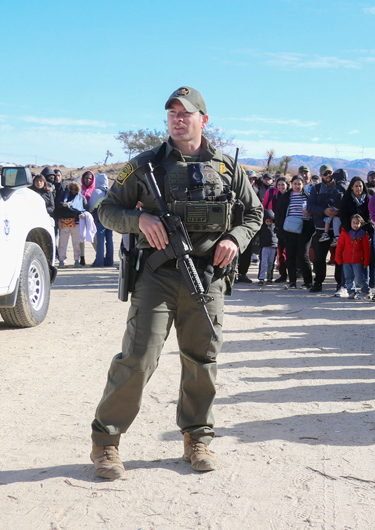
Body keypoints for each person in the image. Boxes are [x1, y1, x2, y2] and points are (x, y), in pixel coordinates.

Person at [90, 86, 262, 479]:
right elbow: (106, 210)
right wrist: (140, 221)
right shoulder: (146, 164)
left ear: (204, 119)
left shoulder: (227, 168)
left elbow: (253, 214)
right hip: (157, 276)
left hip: (207, 277)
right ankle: (106, 444)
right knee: (138, 358)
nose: (177, 118)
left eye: (185, 113)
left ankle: (197, 439)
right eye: (171, 113)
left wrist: (234, 240)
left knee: (202, 360)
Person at [308, 164, 346, 293]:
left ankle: (340, 283)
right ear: (321, 176)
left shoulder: (341, 188)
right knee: (319, 258)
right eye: (325, 174)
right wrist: (324, 211)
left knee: (339, 257)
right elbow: (310, 207)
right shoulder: (316, 189)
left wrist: (338, 212)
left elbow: (347, 204)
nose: (328, 175)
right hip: (320, 229)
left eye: (329, 173)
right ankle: (318, 282)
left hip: (337, 229)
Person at [275, 175, 315, 289]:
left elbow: (313, 211)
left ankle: (308, 281)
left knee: (303, 255)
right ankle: (292, 281)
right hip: (289, 229)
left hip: (305, 229)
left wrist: (310, 214)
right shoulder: (286, 197)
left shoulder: (308, 196)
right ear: (291, 184)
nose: (297, 186)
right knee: (290, 255)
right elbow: (279, 213)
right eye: (295, 184)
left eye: (299, 184)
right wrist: (279, 228)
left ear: (303, 185)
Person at [335, 214, 371, 299]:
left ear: (361, 224)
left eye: (357, 223)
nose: (355, 225)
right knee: (348, 278)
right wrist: (338, 258)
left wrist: (366, 261)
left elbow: (366, 249)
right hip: (346, 260)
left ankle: (366, 291)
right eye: (353, 223)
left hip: (358, 260)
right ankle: (351, 292)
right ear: (350, 223)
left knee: (359, 277)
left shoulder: (363, 235)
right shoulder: (344, 233)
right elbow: (339, 246)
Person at [54, 180, 88, 267]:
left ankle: (76, 260)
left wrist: (83, 215)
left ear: (79, 189)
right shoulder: (64, 195)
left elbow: (85, 208)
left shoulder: (81, 198)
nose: (73, 190)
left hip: (76, 222)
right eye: (71, 188)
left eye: (76, 189)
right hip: (64, 221)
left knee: (76, 243)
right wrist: (64, 204)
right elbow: (57, 204)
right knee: (62, 242)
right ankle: (61, 260)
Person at [88, 173, 114, 267]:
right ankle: (110, 261)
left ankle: (99, 262)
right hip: (110, 218)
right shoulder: (111, 191)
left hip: (100, 218)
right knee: (109, 240)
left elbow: (91, 207)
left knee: (100, 240)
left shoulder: (97, 192)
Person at [267, 177, 289, 282]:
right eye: (279, 185)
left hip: (291, 227)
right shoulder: (275, 197)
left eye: (283, 184)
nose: (281, 187)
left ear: (287, 185)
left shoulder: (291, 196)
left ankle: (294, 274)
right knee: (280, 252)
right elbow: (272, 211)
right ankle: (283, 274)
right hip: (279, 227)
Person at [78, 171, 96, 266]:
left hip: (91, 216)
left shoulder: (95, 190)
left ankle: (99, 256)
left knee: (93, 237)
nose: (88, 180)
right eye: (86, 178)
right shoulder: (79, 189)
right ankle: (82, 258)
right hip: (81, 216)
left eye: (90, 178)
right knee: (81, 237)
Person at [257, 209, 278, 285]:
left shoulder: (275, 227)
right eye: (267, 221)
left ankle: (269, 277)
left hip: (273, 247)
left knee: (271, 263)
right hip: (264, 247)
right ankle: (261, 278)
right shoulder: (261, 227)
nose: (269, 223)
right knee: (263, 263)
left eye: (270, 221)